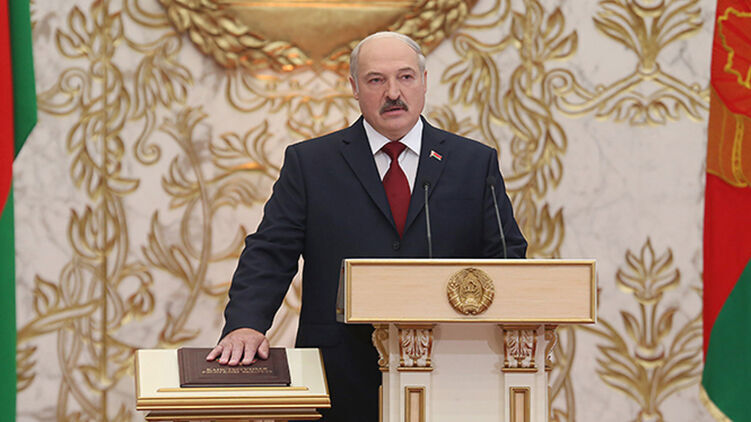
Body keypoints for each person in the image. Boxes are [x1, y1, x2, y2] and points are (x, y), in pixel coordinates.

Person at [206, 31, 527, 421]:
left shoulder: (473, 163)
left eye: (405, 77)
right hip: (339, 373)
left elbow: (506, 257)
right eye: (376, 80)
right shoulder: (311, 164)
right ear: (355, 88)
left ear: (424, 82)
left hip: (451, 369)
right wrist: (245, 324)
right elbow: (270, 253)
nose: (393, 92)